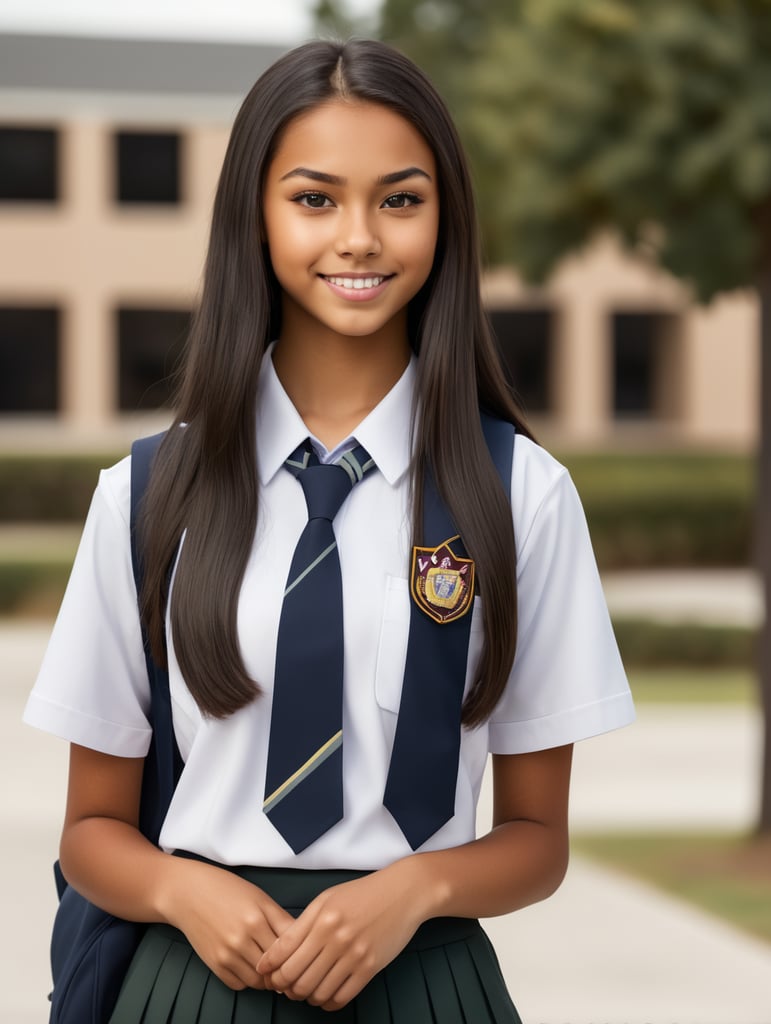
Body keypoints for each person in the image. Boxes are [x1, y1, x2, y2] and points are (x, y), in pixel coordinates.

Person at [24, 38, 635, 1022]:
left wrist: (417, 890)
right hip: (195, 985)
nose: (359, 237)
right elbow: (92, 825)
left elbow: (537, 837)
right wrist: (184, 890)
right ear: (255, 219)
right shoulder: (148, 492)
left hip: (427, 983)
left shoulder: (522, 493)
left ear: (445, 220)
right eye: (314, 199)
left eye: (400, 199)